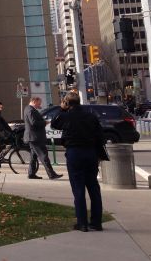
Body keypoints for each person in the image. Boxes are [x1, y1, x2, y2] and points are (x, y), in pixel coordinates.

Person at [51, 92, 104, 232]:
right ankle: (96, 222)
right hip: (90, 152)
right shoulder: (91, 116)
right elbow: (100, 136)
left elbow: (54, 123)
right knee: (94, 188)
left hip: (75, 152)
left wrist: (61, 109)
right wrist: (98, 154)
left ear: (67, 103)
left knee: (78, 189)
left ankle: (82, 223)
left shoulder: (66, 116)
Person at [23, 96, 63, 180]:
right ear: (34, 101)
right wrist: (44, 122)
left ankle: (31, 173)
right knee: (43, 156)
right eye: (39, 103)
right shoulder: (30, 110)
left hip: (33, 137)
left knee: (33, 157)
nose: (40, 105)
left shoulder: (29, 109)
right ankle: (51, 174)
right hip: (35, 137)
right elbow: (34, 123)